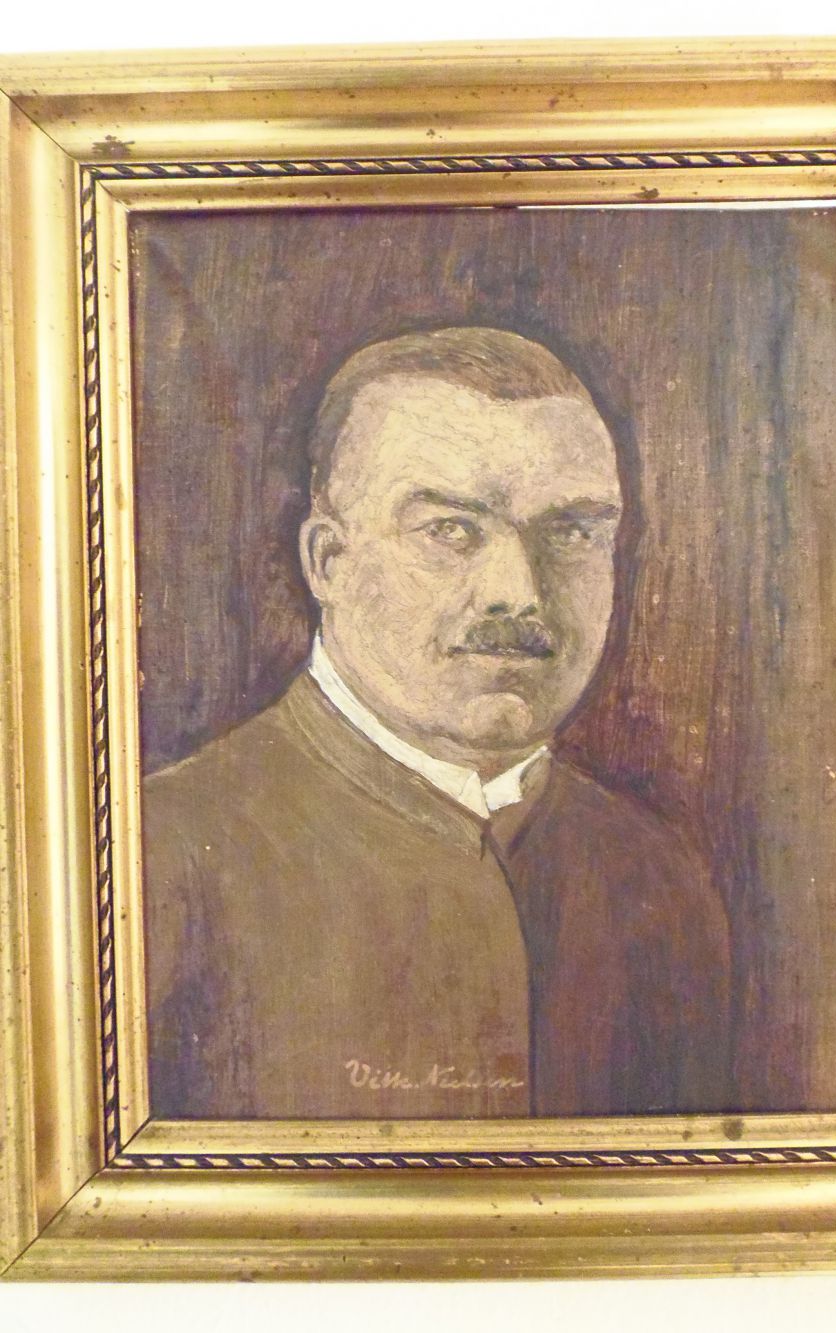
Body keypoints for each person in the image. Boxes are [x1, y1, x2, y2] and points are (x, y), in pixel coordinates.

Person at [143, 326, 732, 1120]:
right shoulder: (153, 862)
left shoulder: (659, 883)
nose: (518, 591)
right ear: (327, 562)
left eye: (570, 532)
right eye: (450, 530)